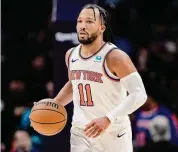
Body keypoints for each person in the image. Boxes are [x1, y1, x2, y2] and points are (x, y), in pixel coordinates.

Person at [51, 4, 147, 152]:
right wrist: (55, 104)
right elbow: (74, 84)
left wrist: (108, 118)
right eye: (80, 21)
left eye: (89, 21)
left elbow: (139, 94)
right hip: (81, 131)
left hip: (113, 134)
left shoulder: (115, 56)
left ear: (102, 27)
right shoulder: (71, 54)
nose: (82, 26)